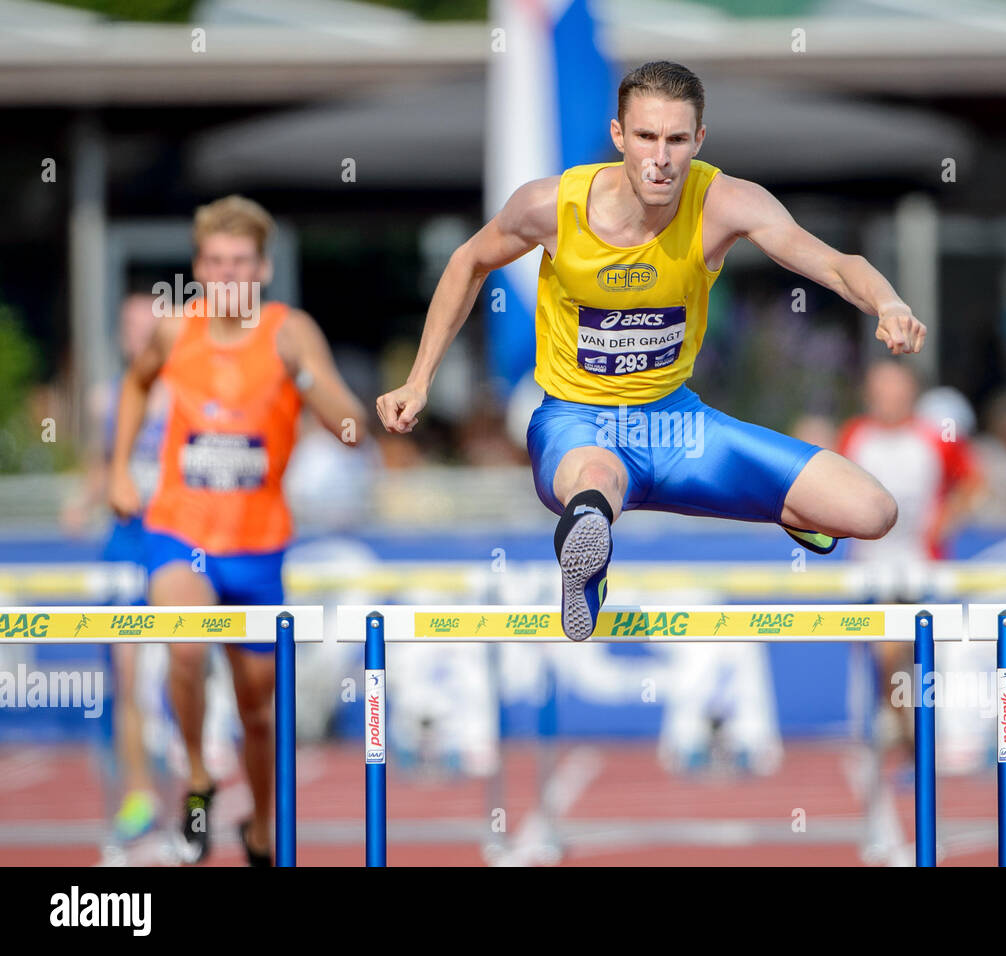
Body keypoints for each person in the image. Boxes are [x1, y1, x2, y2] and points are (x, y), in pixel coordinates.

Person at [377, 60, 924, 641]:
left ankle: (787, 511)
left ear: (699, 141)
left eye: (676, 140)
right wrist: (420, 379)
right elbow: (468, 262)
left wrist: (888, 304)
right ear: (619, 136)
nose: (660, 158)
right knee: (596, 482)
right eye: (645, 137)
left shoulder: (726, 203)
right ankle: (588, 561)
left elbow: (836, 264)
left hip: (679, 427)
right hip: (577, 424)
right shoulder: (551, 207)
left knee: (873, 512)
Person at [109, 196, 366, 865]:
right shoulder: (173, 331)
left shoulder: (289, 331)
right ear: (198, 268)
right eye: (216, 263)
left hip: (257, 547)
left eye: (241, 263)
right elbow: (135, 387)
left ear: (263, 267)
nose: (228, 276)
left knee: (258, 712)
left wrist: (305, 376)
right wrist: (118, 470)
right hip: (179, 533)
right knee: (185, 648)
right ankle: (197, 776)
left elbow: (348, 424)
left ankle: (260, 830)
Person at [837, 362, 984, 766]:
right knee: (886, 657)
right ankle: (907, 740)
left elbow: (974, 481)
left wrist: (943, 522)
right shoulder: (855, 436)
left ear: (910, 393)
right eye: (880, 390)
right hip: (871, 569)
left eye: (896, 390)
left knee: (919, 659)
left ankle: (922, 738)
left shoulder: (934, 439)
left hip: (922, 567)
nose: (889, 398)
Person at [64, 293, 171, 845]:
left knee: (186, 668)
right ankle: (138, 790)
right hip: (123, 552)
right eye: (128, 326)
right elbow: (100, 467)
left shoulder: (180, 396)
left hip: (176, 550)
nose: (137, 335)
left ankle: (195, 775)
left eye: (145, 326)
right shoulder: (107, 398)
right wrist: (84, 501)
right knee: (127, 676)